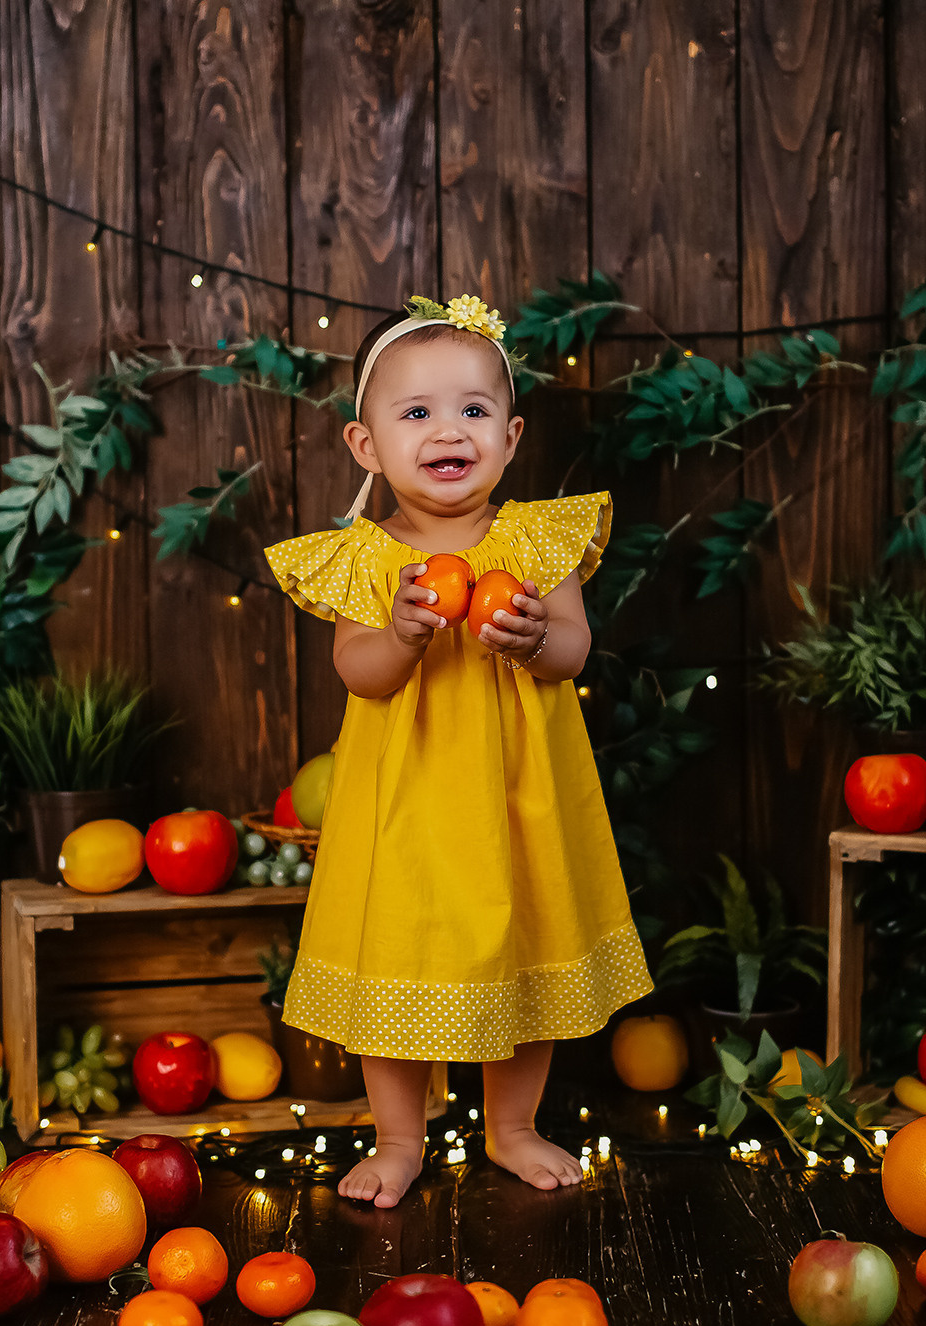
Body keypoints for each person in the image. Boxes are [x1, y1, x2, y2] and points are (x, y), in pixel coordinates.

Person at [264, 295, 652, 1208]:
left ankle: (510, 1126)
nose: (449, 430)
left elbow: (574, 651)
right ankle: (398, 1137)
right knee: (394, 947)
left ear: (510, 437)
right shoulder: (370, 556)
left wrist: (532, 638)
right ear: (367, 445)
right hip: (406, 801)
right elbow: (358, 672)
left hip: (518, 795)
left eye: (474, 409)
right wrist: (402, 634)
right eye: (417, 412)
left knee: (527, 936)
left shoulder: (538, 540)